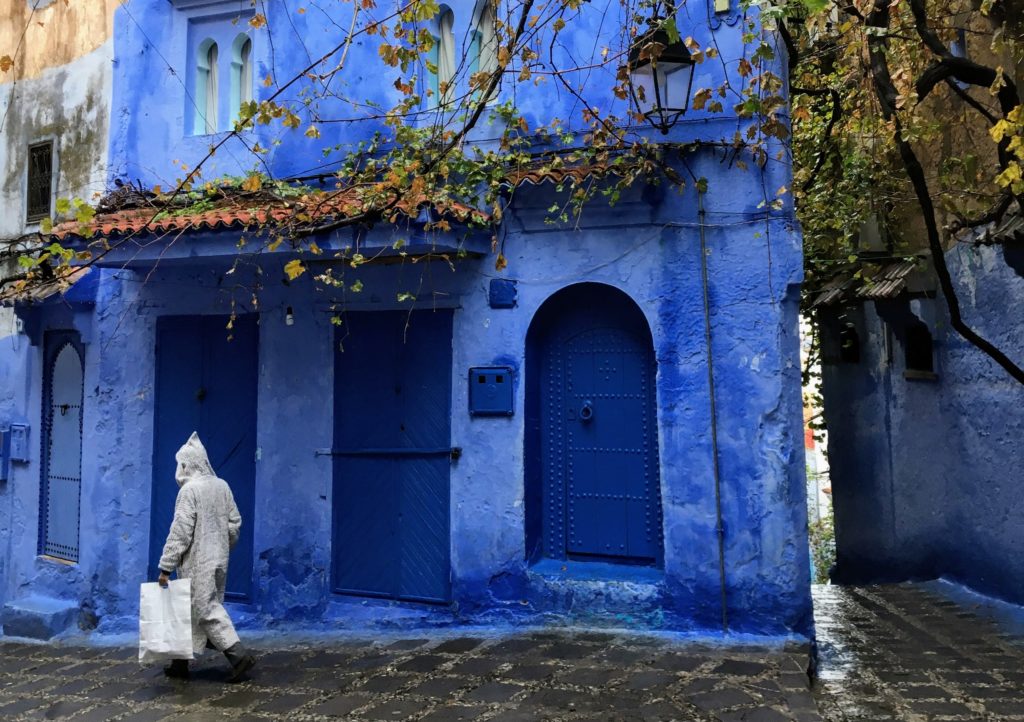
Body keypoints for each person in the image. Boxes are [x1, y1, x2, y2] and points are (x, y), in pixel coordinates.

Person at [156, 431, 256, 681]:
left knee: (205, 609)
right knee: (190, 608)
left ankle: (238, 655)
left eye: (181, 464)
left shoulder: (189, 491)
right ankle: (180, 664)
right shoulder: (222, 485)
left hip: (197, 563)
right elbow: (235, 522)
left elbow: (180, 531)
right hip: (220, 559)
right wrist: (221, 544)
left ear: (187, 465)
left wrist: (166, 566)